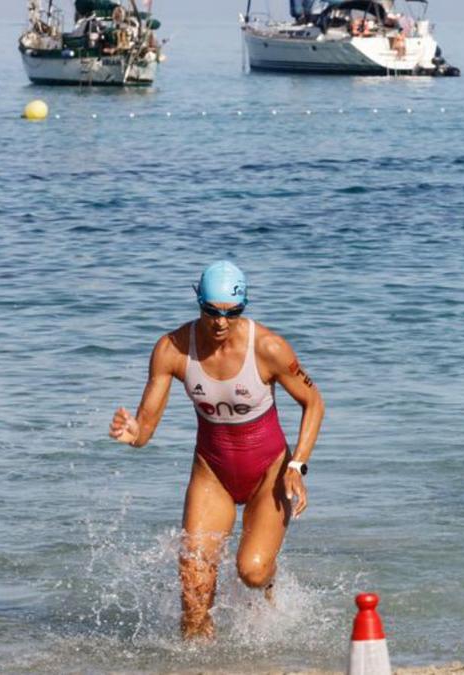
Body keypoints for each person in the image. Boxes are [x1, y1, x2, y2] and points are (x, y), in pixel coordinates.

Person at [108, 261, 325, 640]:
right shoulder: (172, 350)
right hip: (212, 473)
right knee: (194, 591)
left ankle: (269, 583)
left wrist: (298, 463)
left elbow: (314, 402)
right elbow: (145, 428)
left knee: (252, 572)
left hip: (269, 472)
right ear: (199, 303)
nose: (221, 322)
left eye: (232, 313)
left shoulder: (268, 348)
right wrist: (133, 433)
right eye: (212, 312)